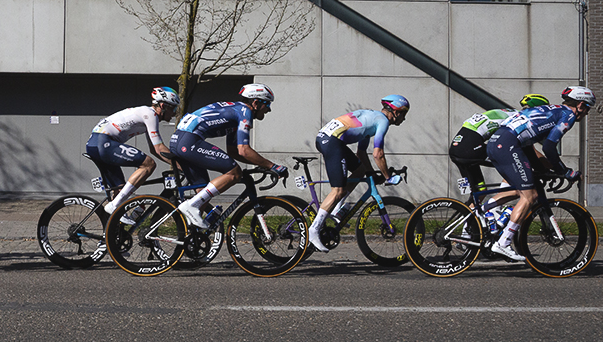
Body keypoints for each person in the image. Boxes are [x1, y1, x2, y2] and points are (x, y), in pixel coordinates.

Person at [484, 86, 595, 262]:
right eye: (588, 108)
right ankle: (503, 244)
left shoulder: (552, 109)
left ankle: (479, 212)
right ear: (581, 105)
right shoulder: (569, 115)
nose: (587, 113)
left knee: (521, 189)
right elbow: (549, 147)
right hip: (508, 145)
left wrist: (546, 169)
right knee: (530, 196)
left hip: (497, 143)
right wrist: (565, 171)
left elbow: (529, 147)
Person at [168, 83, 288, 229]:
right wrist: (272, 166)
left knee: (203, 192)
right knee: (234, 173)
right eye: (267, 104)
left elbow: (233, 151)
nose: (268, 109)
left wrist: (261, 164)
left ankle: (190, 236)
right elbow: (244, 150)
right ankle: (191, 206)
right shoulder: (245, 111)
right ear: (255, 103)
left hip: (180, 140)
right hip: (188, 141)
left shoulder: (235, 111)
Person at [309, 95, 409, 252]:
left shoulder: (373, 118)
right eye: (404, 113)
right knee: (338, 190)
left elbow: (361, 153)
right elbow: (378, 154)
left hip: (330, 139)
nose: (404, 118)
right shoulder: (382, 121)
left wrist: (371, 174)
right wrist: (388, 177)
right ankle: (313, 230)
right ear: (395, 111)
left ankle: (336, 209)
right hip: (332, 141)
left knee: (360, 170)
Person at [86, 86, 179, 217]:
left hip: (95, 144)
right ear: (163, 105)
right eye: (173, 108)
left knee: (120, 189)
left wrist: (176, 163)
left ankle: (114, 230)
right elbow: (159, 148)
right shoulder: (150, 114)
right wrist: (182, 165)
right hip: (104, 142)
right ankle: (114, 206)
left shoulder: (146, 114)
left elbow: (154, 149)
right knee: (149, 164)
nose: (174, 113)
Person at [449, 93, 549, 197]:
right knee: (515, 166)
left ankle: (467, 212)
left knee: (480, 192)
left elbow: (530, 151)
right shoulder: (521, 120)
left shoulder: (510, 113)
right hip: (469, 149)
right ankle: (495, 209)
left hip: (456, 149)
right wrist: (543, 170)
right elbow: (529, 152)